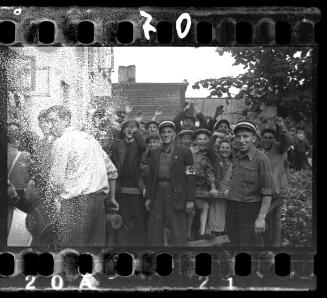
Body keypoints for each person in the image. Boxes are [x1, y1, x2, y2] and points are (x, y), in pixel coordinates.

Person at [46, 105, 118, 248]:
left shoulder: (61, 142)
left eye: (53, 120)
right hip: (97, 203)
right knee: (93, 252)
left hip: (74, 204)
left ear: (66, 120)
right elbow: (112, 171)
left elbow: (56, 181)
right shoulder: (91, 140)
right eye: (48, 121)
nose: (50, 125)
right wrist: (112, 199)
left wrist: (53, 200)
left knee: (70, 251)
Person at [225, 120, 275, 247]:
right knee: (234, 243)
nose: (241, 140)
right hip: (232, 207)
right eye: (238, 136)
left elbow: (267, 191)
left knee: (250, 247)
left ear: (254, 138)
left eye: (245, 136)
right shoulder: (236, 156)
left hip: (250, 209)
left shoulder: (261, 159)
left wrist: (261, 217)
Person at [145, 121, 195, 246]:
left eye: (169, 132)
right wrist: (148, 198)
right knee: (154, 230)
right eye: (163, 132)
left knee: (178, 231)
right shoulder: (154, 153)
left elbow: (191, 176)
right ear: (160, 134)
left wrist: (190, 200)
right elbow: (150, 178)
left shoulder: (185, 152)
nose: (166, 134)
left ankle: (180, 260)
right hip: (158, 194)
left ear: (174, 134)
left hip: (176, 194)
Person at [111, 119, 147, 246]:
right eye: (127, 127)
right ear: (123, 129)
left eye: (133, 127)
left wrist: (136, 132)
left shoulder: (139, 145)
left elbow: (143, 145)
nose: (130, 129)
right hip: (121, 187)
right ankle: (124, 247)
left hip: (136, 187)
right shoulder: (118, 144)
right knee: (123, 219)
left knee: (138, 219)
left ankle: (140, 247)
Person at [259, 117, 292, 247]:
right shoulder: (258, 151)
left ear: (275, 140)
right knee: (263, 219)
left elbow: (287, 141)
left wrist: (282, 127)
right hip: (261, 192)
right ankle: (263, 246)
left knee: (275, 219)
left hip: (276, 191)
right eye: (265, 137)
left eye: (270, 138)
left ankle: (276, 246)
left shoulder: (278, 148)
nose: (267, 140)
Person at [188, 128, 218, 241]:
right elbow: (187, 167)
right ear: (195, 141)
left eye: (205, 139)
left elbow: (209, 172)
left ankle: (202, 233)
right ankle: (188, 235)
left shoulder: (208, 153)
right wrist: (191, 178)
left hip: (202, 187)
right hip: (189, 185)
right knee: (191, 210)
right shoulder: (189, 151)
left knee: (205, 206)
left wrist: (213, 187)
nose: (202, 141)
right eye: (199, 139)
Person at [206, 139, 233, 238]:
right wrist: (213, 187)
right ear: (218, 148)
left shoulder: (234, 162)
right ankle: (214, 233)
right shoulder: (216, 159)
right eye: (222, 147)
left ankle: (223, 234)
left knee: (226, 214)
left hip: (229, 193)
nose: (225, 150)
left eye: (227, 148)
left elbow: (235, 177)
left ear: (231, 150)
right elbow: (210, 174)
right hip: (217, 191)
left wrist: (230, 188)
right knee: (215, 211)